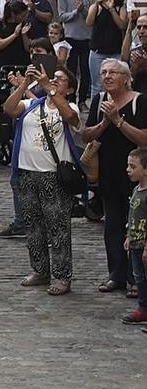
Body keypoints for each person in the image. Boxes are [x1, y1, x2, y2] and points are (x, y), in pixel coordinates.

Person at [4, 63, 81, 296]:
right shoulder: (32, 104)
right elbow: (8, 108)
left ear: (69, 89)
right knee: (33, 225)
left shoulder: (69, 106)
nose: (54, 80)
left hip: (53, 176)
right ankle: (40, 269)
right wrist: (25, 84)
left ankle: (61, 275)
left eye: (60, 79)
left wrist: (49, 87)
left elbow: (71, 118)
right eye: (52, 78)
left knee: (57, 227)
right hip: (27, 172)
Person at [80, 59, 147, 294]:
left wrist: (119, 121)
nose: (107, 76)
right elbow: (85, 135)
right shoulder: (99, 101)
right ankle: (116, 274)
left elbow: (143, 139)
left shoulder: (140, 100)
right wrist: (104, 123)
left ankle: (136, 278)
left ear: (126, 77)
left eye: (113, 72)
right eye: (104, 72)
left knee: (136, 227)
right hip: (108, 172)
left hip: (137, 175)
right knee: (113, 226)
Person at [55, 0, 94, 102]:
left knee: (85, 70)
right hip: (70, 37)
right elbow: (62, 17)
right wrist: (75, 12)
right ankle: (70, 99)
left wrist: (83, 10)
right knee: (70, 71)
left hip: (87, 37)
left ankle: (83, 100)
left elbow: (92, 17)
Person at [87, 0, 128, 97]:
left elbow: (122, 25)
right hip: (97, 52)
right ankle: (96, 112)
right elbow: (89, 22)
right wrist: (96, 4)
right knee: (97, 85)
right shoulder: (96, 7)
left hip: (115, 52)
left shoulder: (120, 7)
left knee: (117, 83)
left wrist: (111, 9)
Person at [124, 146, 147, 327]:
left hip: (144, 244)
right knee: (138, 276)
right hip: (135, 243)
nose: (128, 170)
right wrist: (129, 236)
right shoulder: (135, 191)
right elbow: (132, 216)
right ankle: (143, 307)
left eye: (133, 167)